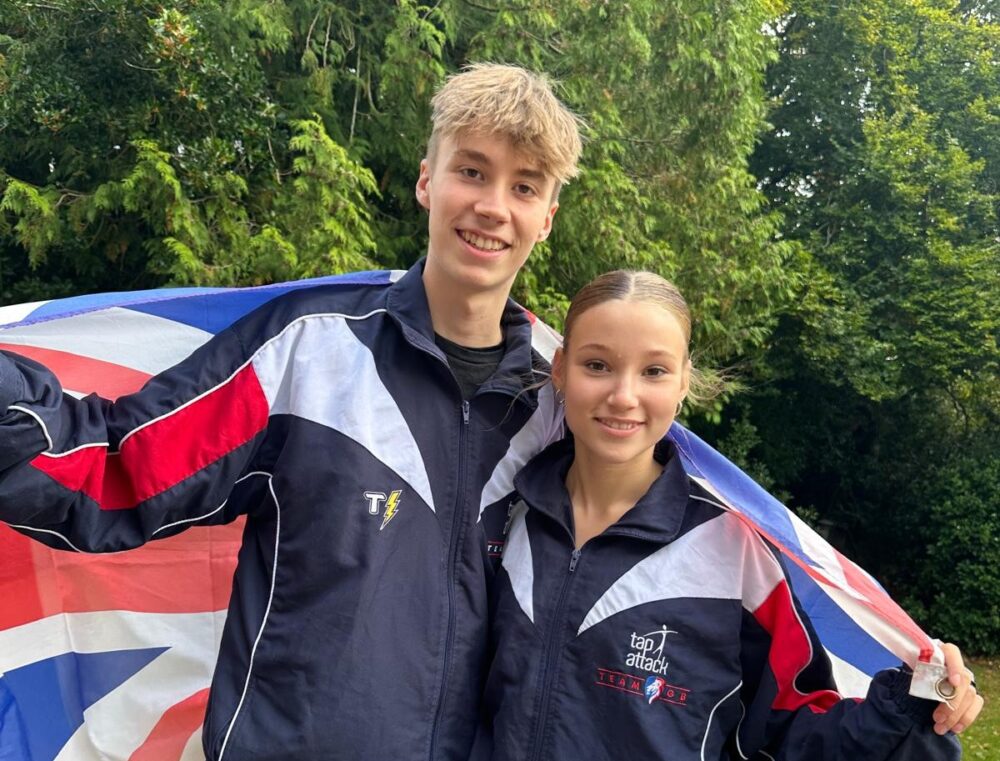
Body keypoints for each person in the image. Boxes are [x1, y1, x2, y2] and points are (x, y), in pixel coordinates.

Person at [0, 64, 581, 760]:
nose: (492, 205)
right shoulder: (306, 352)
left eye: (523, 186)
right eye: (473, 171)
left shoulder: (561, 413)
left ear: (546, 216)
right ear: (427, 179)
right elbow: (120, 471)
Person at [475, 270, 983, 760]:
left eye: (653, 370)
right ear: (560, 368)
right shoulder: (504, 516)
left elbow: (794, 731)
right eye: (597, 365)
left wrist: (911, 703)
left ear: (682, 383)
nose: (623, 396)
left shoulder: (734, 551)